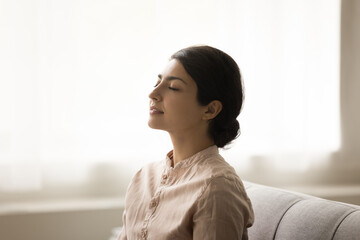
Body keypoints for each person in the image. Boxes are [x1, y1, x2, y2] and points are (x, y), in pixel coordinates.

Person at [118, 45, 254, 240]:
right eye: (157, 82)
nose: (153, 94)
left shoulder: (217, 188)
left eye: (173, 87)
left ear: (210, 109)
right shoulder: (143, 178)